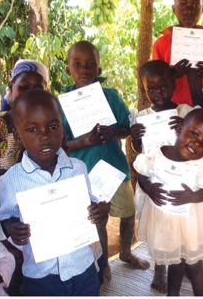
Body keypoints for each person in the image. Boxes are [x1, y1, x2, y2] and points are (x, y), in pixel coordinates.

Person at [0, 89, 102, 296]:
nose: (45, 136)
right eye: (32, 129)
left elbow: (89, 202)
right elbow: (4, 218)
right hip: (41, 277)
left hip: (83, 268)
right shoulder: (10, 180)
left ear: (62, 128)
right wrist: (12, 228)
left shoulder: (78, 168)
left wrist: (96, 211)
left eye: (53, 127)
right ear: (18, 135)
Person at [61, 40, 150, 283]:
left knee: (128, 213)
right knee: (98, 219)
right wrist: (85, 141)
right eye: (77, 64)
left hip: (115, 169)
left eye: (91, 64)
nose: (84, 69)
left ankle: (126, 252)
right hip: (85, 174)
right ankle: (103, 263)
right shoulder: (62, 103)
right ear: (68, 69)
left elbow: (127, 128)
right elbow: (62, 145)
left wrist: (115, 132)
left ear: (99, 69)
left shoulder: (110, 96)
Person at [134, 108, 203, 296]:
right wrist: (149, 189)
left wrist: (192, 197)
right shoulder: (157, 154)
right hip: (164, 220)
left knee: (193, 266)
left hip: (189, 223)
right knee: (175, 260)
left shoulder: (201, 166)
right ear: (180, 127)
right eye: (194, 134)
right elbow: (142, 174)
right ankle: (173, 294)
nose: (197, 144)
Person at [130, 60, 193, 293]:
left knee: (179, 225)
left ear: (173, 84)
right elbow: (140, 151)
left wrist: (185, 129)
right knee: (158, 230)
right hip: (155, 181)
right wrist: (135, 138)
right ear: (145, 89)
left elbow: (194, 146)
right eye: (152, 89)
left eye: (163, 87)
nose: (158, 93)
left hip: (179, 179)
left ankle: (181, 261)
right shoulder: (142, 116)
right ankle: (160, 268)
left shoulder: (185, 112)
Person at [0, 59, 49, 296]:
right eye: (23, 87)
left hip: (41, 202)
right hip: (5, 207)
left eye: (37, 89)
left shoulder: (49, 124)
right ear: (11, 86)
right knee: (14, 259)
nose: (29, 94)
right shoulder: (0, 125)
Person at [152, 0, 203, 108]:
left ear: (202, 9)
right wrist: (172, 75)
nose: (189, 10)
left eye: (195, 5)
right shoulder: (161, 44)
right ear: (173, 9)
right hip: (176, 109)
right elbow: (155, 81)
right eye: (182, 4)